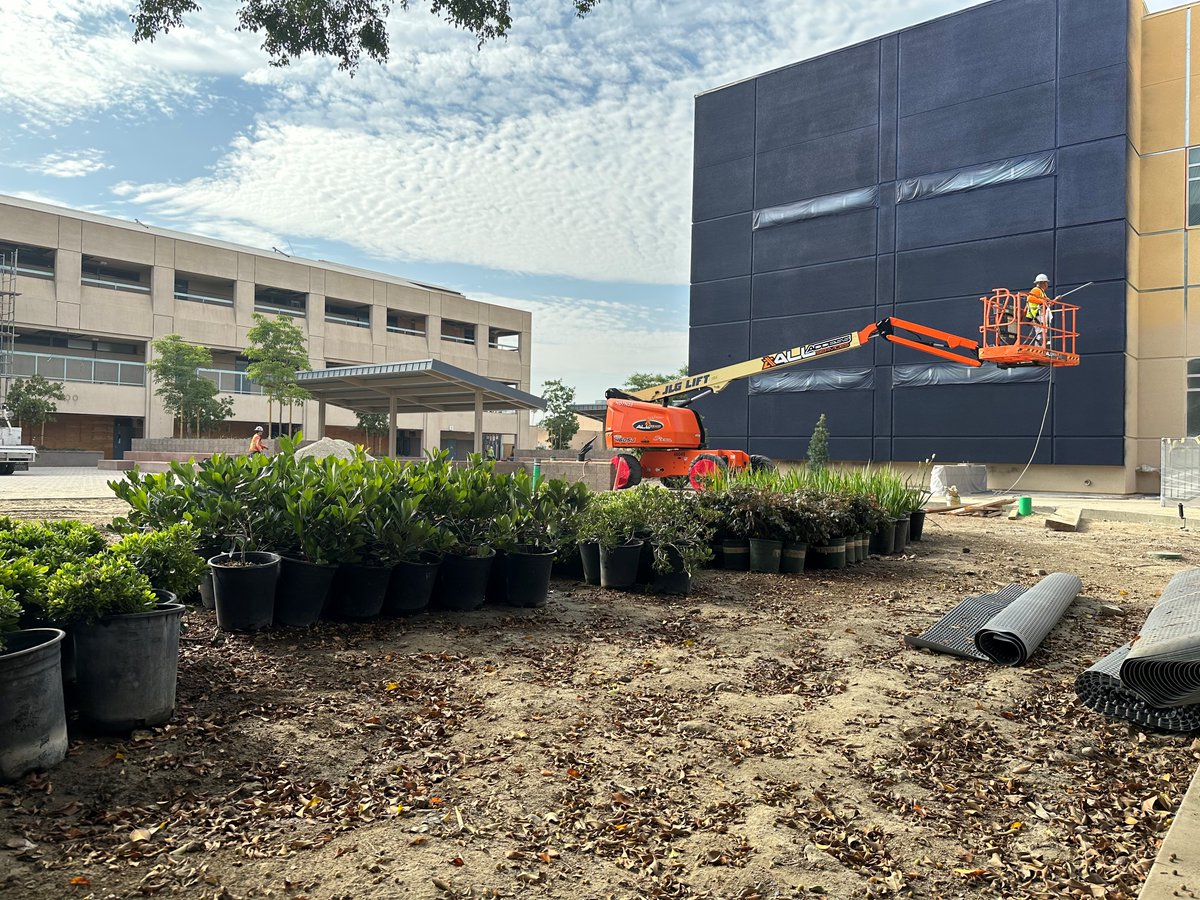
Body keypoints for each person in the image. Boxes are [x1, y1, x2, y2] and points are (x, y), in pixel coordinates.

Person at [1024, 274, 1053, 344]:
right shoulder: (1036, 290)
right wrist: (1043, 301)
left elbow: (1047, 304)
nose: (1047, 285)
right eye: (1046, 283)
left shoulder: (1042, 292)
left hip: (1039, 314)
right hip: (1036, 314)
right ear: (1042, 283)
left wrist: (1054, 300)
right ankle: (1040, 349)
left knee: (1042, 332)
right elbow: (1030, 298)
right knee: (1041, 333)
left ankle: (1041, 348)